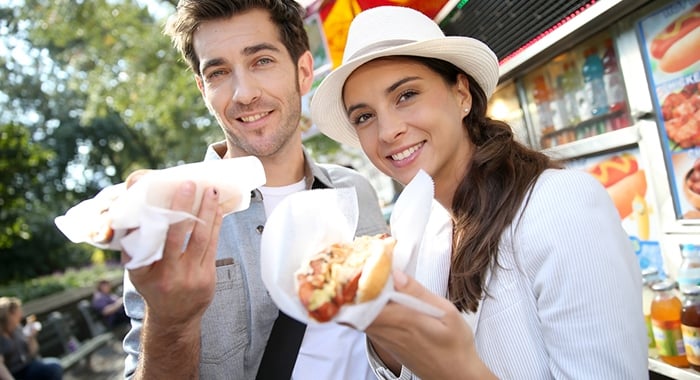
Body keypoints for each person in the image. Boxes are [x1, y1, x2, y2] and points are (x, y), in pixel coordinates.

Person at [310, 6, 647, 379]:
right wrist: (379, 325)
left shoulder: (561, 205)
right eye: (364, 116)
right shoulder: (416, 225)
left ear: (461, 94)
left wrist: (458, 369)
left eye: (406, 95)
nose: (387, 131)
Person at [121, 1, 388, 379]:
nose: (244, 93)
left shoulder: (357, 190)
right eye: (218, 72)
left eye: (261, 61)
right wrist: (170, 322)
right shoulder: (166, 218)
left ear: (304, 71)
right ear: (203, 89)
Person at [0, 297, 63, 380]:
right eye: (18, 312)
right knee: (53, 368)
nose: (21, 315)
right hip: (14, 373)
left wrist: (32, 337)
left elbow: (32, 353)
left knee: (54, 366)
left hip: (28, 366)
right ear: (9, 314)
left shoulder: (18, 329)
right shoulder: (2, 336)